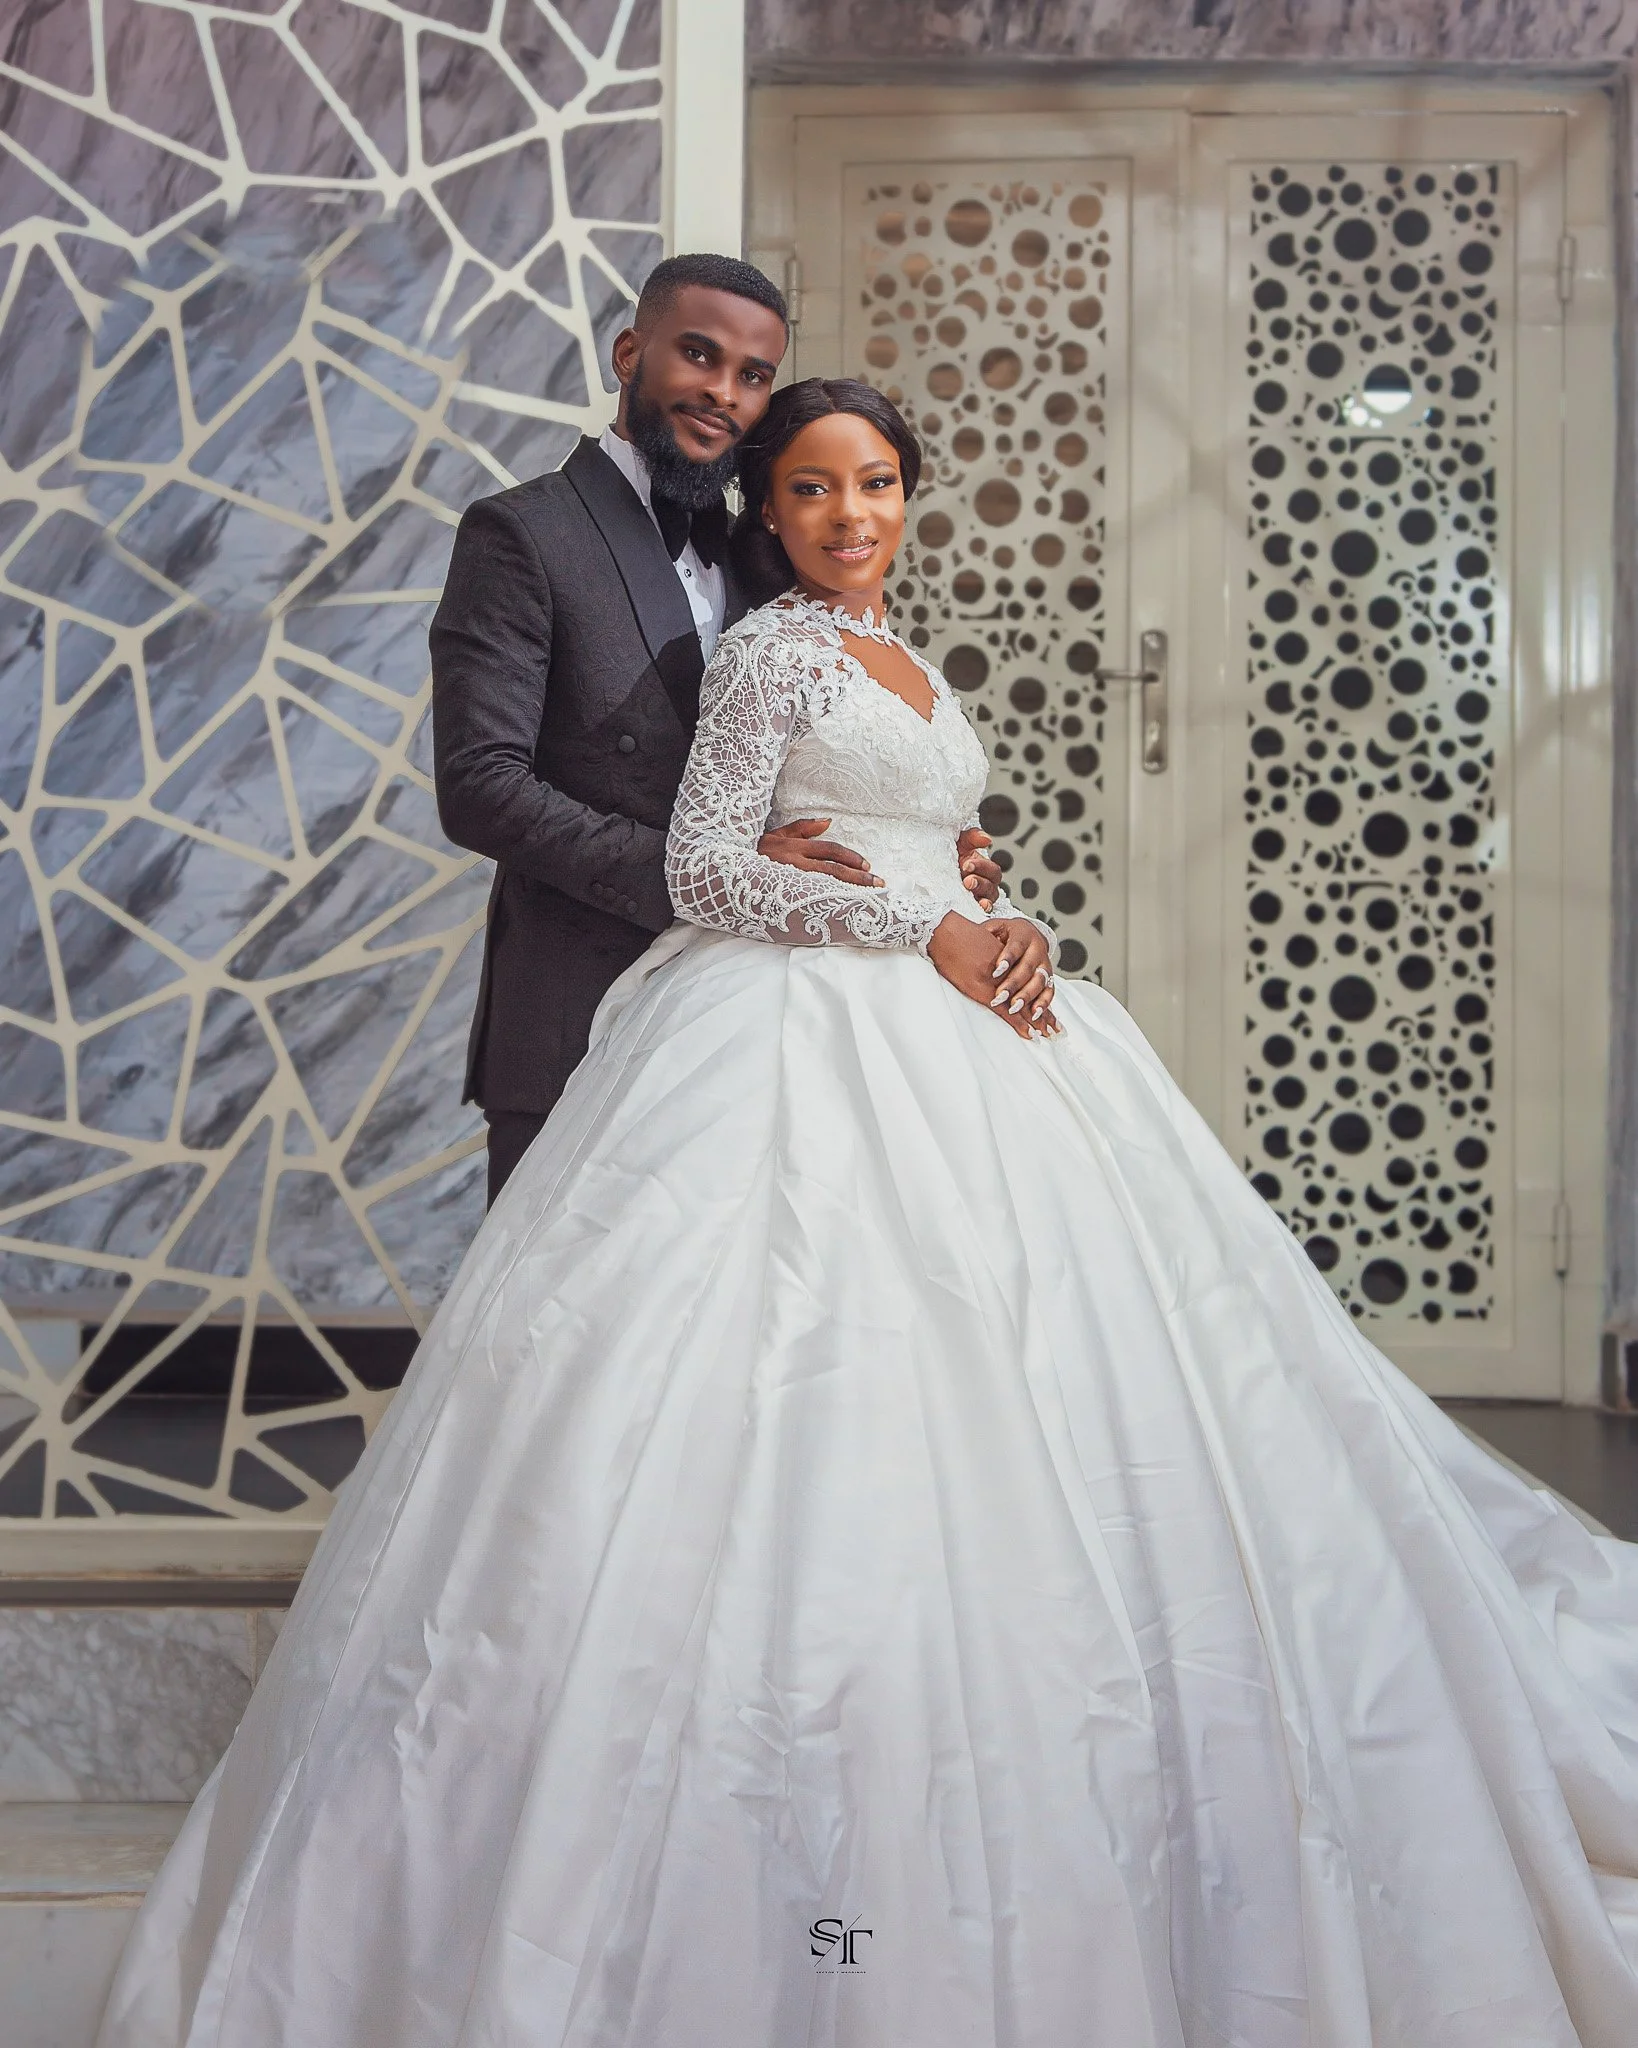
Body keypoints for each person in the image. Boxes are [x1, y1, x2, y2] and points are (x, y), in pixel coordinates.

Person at [100, 380, 1638, 2048]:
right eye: (815, 489)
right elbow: (704, 865)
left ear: (911, 493)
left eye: (879, 481)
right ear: (767, 512)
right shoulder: (769, 653)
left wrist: (986, 897)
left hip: (961, 1014)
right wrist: (921, 929)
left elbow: (921, 834)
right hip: (795, 1026)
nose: (851, 514)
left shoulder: (898, 649)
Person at [429, 252, 1004, 1203]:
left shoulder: (762, 551)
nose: (724, 393)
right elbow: (482, 787)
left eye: (753, 375)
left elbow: (812, 753)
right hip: (582, 1002)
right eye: (698, 355)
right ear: (630, 354)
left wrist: (927, 857)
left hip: (776, 1031)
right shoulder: (523, 533)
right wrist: (708, 870)